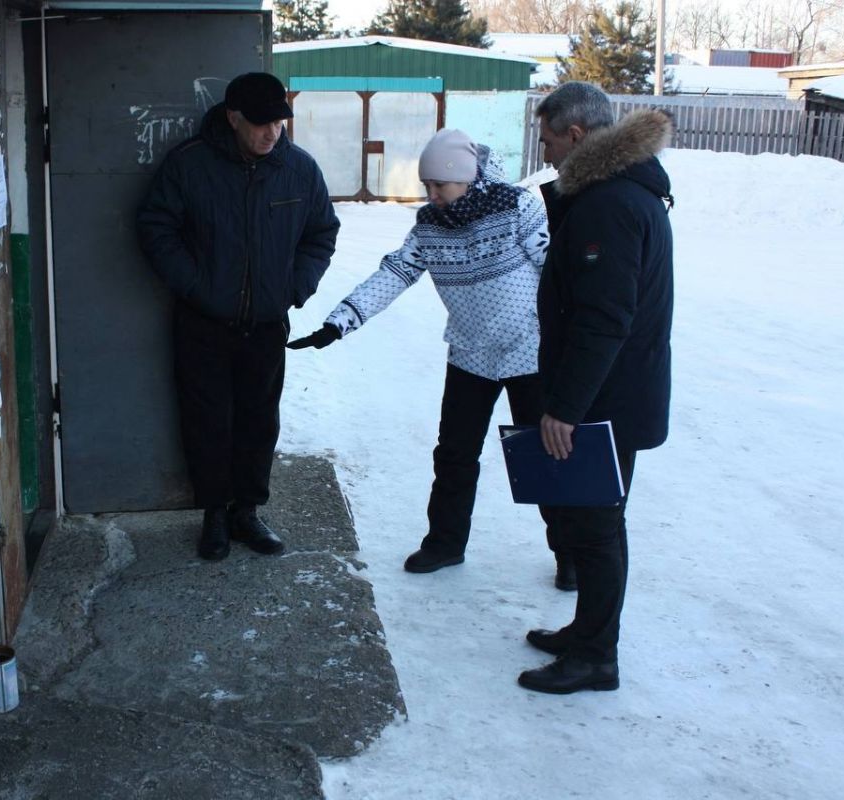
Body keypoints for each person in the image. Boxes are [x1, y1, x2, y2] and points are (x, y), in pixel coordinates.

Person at [290, 129, 569, 583]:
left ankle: (570, 553)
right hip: (470, 355)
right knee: (454, 455)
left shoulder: (517, 207)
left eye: (441, 185)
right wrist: (339, 322)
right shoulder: (429, 228)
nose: (433, 194)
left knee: (543, 456)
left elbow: (553, 267)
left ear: (466, 177)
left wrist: (576, 337)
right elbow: (396, 272)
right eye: (429, 186)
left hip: (530, 354)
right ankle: (444, 543)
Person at [136, 72, 340, 561]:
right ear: (233, 118)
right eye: (260, 123)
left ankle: (247, 511)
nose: (272, 132)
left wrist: (294, 288)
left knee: (258, 419)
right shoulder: (191, 166)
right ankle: (213, 514)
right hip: (203, 322)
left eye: (279, 121)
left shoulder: (299, 169)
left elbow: (321, 233)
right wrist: (195, 287)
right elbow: (155, 226)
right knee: (206, 420)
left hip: (267, 323)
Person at [518, 82, 674, 694]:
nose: (545, 147)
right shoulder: (618, 191)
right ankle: (586, 633)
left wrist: (565, 408)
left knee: (599, 529)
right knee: (590, 525)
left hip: (606, 401)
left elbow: (603, 317)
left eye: (549, 136)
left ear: (577, 136)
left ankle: (596, 657)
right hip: (611, 393)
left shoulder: (609, 204)